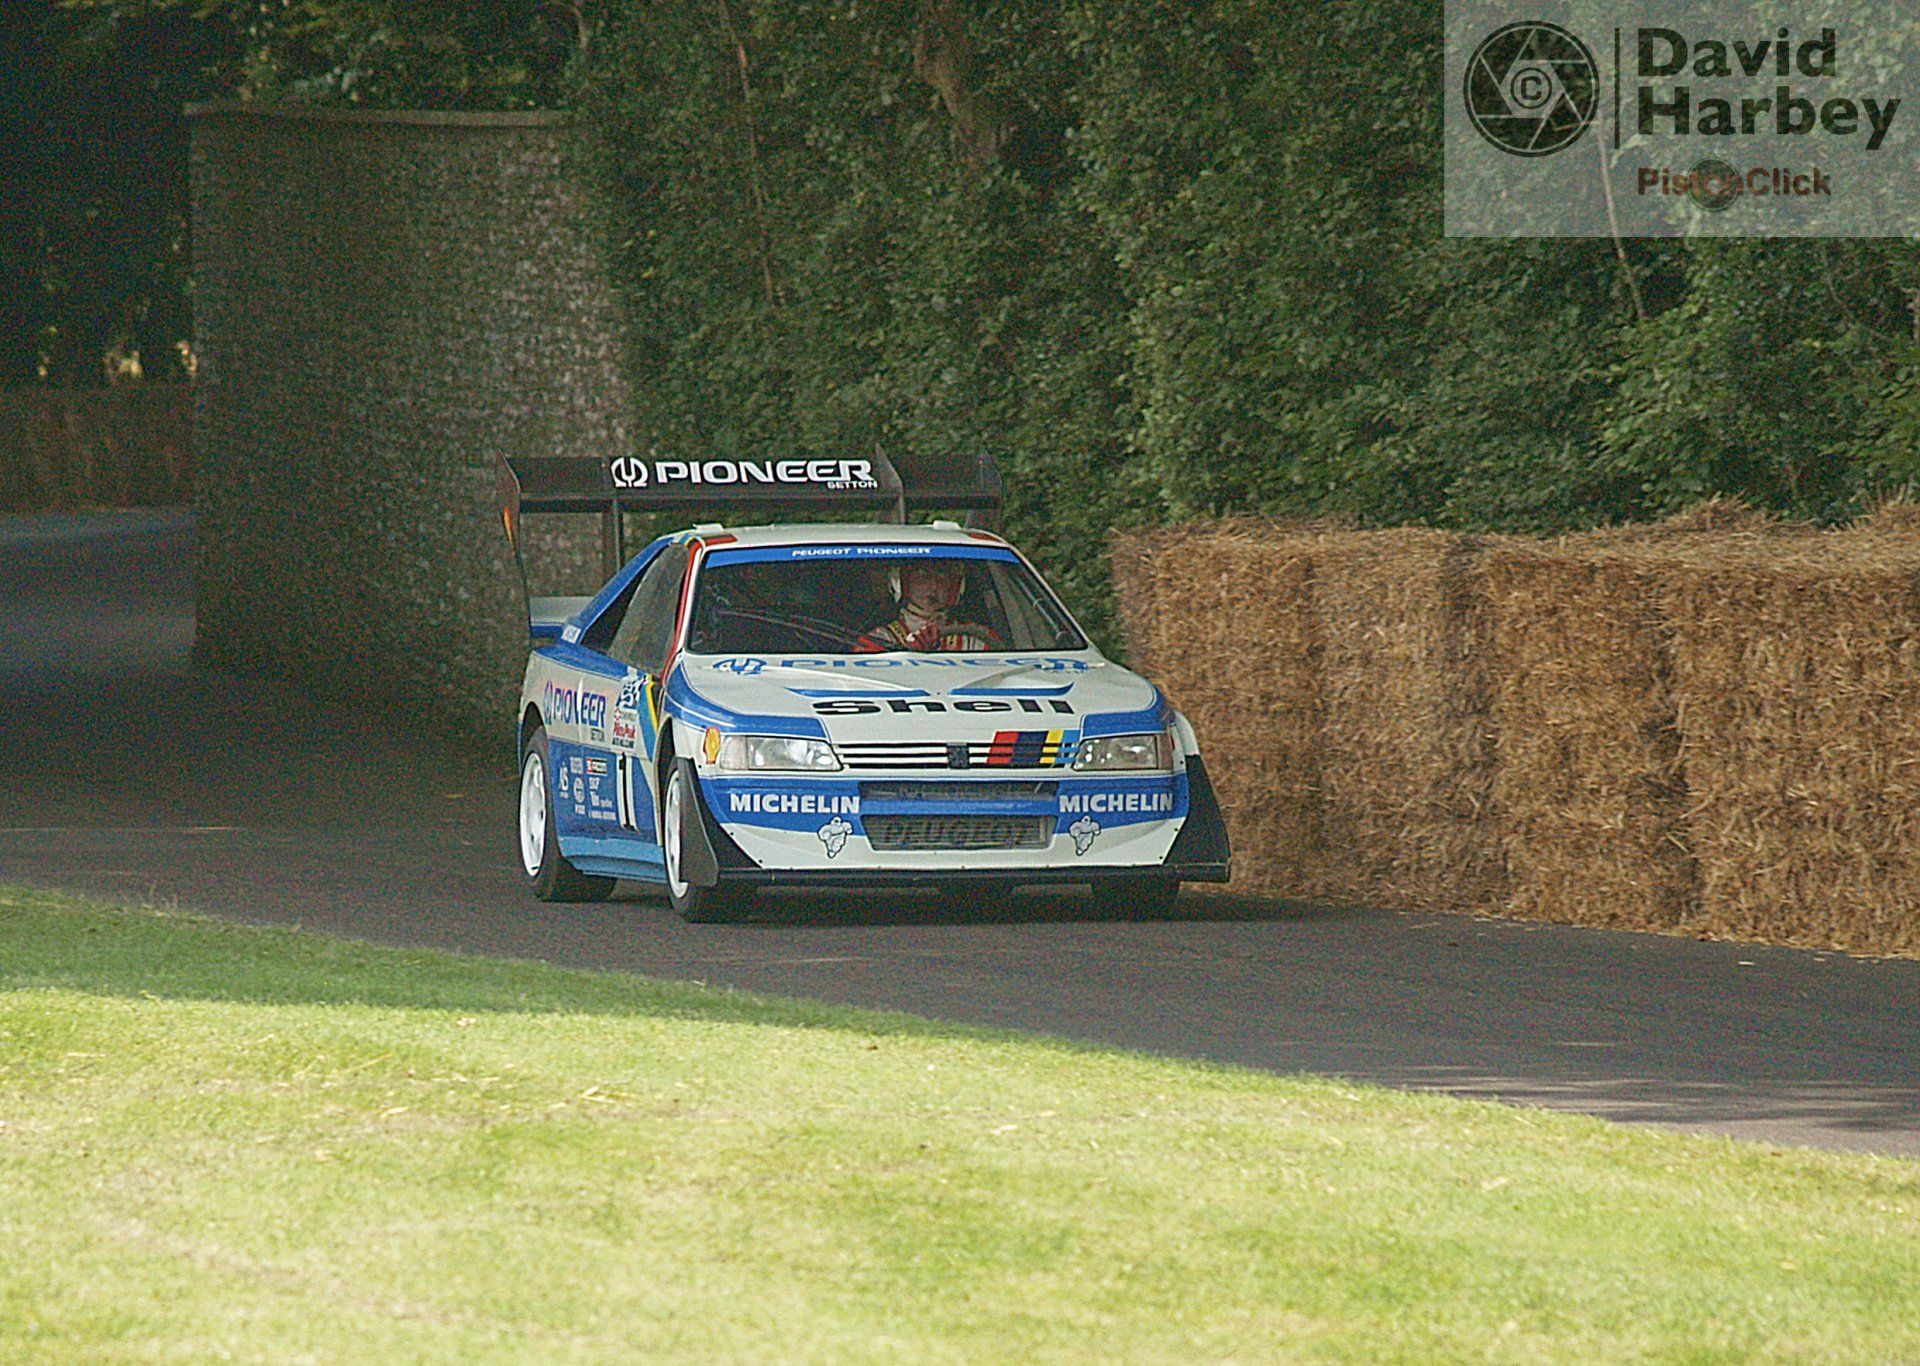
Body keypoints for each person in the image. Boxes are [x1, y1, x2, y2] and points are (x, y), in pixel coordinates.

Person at [856, 560, 999, 652]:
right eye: (922, 576)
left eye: (941, 577)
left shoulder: (978, 639)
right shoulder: (878, 639)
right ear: (902, 584)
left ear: (955, 587)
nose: (933, 585)